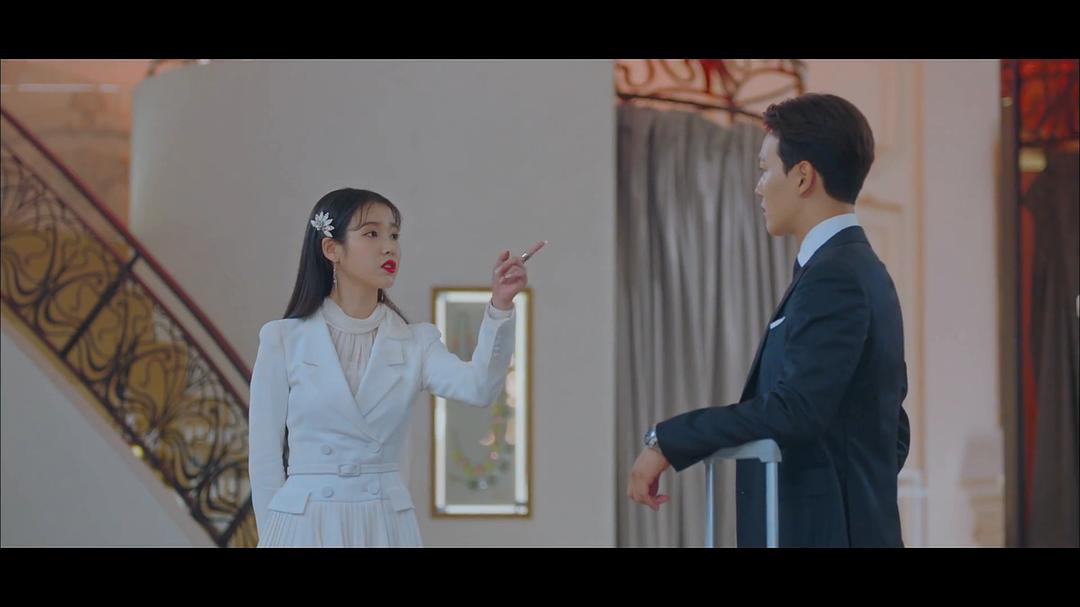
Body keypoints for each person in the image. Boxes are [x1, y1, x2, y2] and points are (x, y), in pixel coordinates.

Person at [628, 94, 911, 547]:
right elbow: (892, 426)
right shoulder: (860, 269)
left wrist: (669, 439)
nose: (760, 187)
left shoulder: (835, 275)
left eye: (765, 169)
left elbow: (795, 410)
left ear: (802, 176)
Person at [248, 187, 544, 547]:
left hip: (383, 525)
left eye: (394, 235)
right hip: (305, 525)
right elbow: (264, 459)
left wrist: (499, 307)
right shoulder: (283, 339)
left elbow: (479, 388)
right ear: (331, 249)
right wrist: (274, 536)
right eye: (372, 234)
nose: (389, 247)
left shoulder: (415, 342)